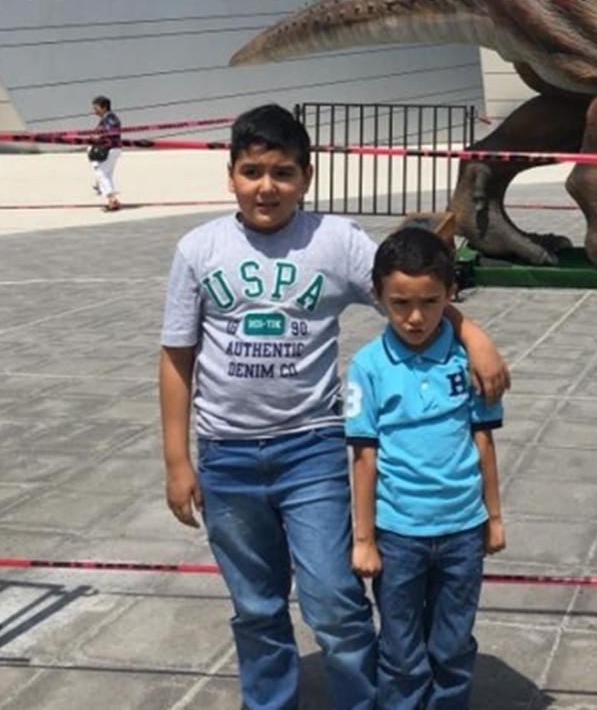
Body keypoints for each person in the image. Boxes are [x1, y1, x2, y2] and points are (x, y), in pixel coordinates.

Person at [158, 104, 509, 710]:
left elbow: (404, 291)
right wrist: (176, 461)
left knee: (335, 601)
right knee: (255, 605)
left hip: (312, 451)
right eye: (252, 171)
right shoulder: (198, 249)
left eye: (283, 173)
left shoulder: (335, 240)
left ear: (307, 176)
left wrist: (471, 332)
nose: (267, 186)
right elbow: (176, 357)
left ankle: (362, 701)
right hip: (227, 458)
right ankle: (268, 701)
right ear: (230, 174)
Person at [346, 226, 505, 710]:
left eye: (431, 303)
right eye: (399, 304)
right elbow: (363, 457)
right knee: (400, 648)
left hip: (462, 528)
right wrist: (364, 538)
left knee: (453, 644)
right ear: (378, 296)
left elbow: (483, 441)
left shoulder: (467, 361)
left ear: (450, 294)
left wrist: (494, 517)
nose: (415, 318)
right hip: (398, 534)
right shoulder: (367, 366)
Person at [89, 95, 122, 212]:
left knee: (101, 174)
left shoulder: (111, 119)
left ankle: (112, 199)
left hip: (111, 149)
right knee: (106, 175)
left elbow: (110, 132)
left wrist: (98, 137)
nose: (93, 110)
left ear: (103, 107)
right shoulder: (106, 119)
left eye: (95, 107)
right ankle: (111, 201)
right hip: (108, 149)